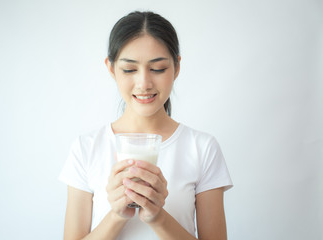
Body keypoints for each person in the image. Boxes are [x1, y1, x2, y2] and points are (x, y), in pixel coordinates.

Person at [59, 11, 233, 240]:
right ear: (111, 69)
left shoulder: (202, 147)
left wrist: (157, 216)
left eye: (158, 68)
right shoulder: (86, 148)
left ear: (176, 67)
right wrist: (118, 215)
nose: (144, 83)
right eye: (129, 69)